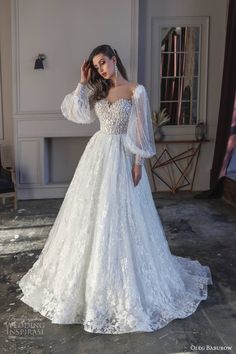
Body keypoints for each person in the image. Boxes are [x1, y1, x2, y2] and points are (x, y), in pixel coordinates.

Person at [17, 44, 213, 334]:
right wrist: (83, 82)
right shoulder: (97, 91)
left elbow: (141, 130)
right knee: (90, 217)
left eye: (103, 63)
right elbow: (77, 112)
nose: (101, 69)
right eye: (97, 67)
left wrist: (137, 164)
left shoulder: (136, 90)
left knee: (122, 216)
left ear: (114, 59)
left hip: (122, 156)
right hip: (97, 156)